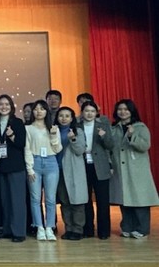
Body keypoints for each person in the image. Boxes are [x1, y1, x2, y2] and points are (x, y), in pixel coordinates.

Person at [109, 99, 159, 238]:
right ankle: (127, 227)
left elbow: (145, 146)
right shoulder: (114, 128)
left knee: (139, 200)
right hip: (120, 169)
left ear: (131, 111)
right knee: (124, 199)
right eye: (120, 109)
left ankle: (142, 229)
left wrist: (132, 136)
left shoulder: (140, 127)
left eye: (126, 109)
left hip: (136, 169)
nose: (122, 112)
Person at [26, 100, 62, 241]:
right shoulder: (28, 128)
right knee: (35, 198)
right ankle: (39, 227)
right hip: (35, 162)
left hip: (51, 162)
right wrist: (29, 168)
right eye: (36, 109)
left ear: (46, 111)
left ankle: (50, 227)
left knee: (50, 199)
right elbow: (27, 149)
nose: (39, 111)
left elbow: (58, 149)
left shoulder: (53, 128)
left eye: (42, 109)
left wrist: (53, 136)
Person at [0, 94, 28, 242]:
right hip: (0, 165)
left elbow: (21, 143)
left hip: (15, 166)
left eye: (7, 104)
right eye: (1, 104)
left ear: (11, 107)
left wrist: (12, 135)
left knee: (17, 200)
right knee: (5, 200)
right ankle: (8, 229)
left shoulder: (18, 122)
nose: (4, 107)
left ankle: (19, 232)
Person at [78, 100, 114, 239]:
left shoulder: (103, 125)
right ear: (82, 112)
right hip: (83, 165)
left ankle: (104, 231)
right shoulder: (77, 125)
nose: (89, 114)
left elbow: (110, 145)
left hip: (100, 166)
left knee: (102, 200)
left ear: (96, 113)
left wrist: (103, 136)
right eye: (87, 111)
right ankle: (88, 229)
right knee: (86, 200)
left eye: (92, 111)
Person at [54, 106, 87, 240]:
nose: (64, 118)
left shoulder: (78, 131)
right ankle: (68, 228)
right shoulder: (53, 130)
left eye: (67, 116)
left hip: (74, 170)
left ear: (72, 118)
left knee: (77, 201)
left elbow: (80, 150)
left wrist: (73, 139)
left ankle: (78, 230)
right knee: (65, 202)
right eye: (61, 116)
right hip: (58, 170)